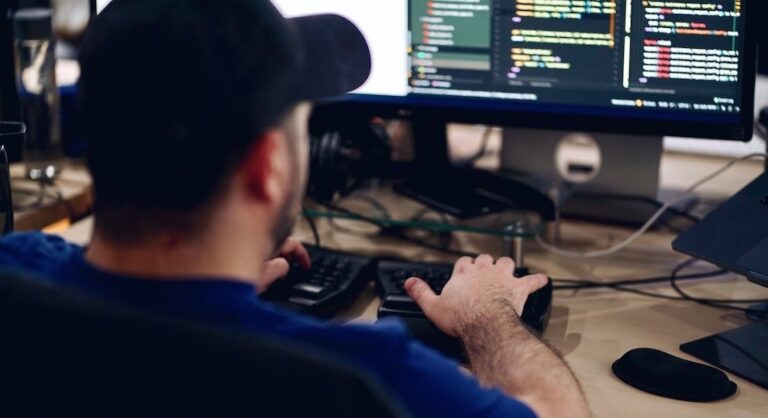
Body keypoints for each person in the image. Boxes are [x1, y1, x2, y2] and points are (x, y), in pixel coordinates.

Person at [0, 1, 590, 417]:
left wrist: (196, 295)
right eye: (301, 126)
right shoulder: (358, 381)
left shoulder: (16, 272)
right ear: (268, 167)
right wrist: (486, 317)